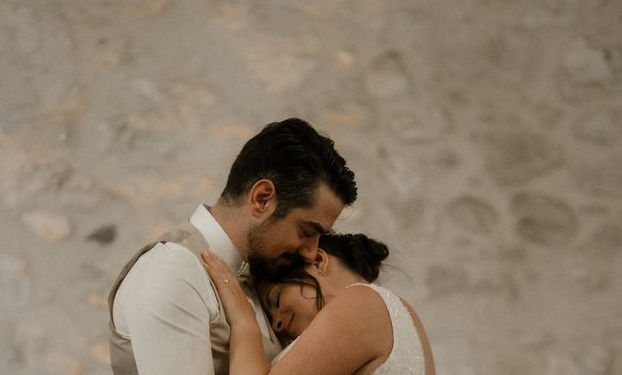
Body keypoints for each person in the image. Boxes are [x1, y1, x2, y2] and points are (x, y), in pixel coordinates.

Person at [107, 118, 357, 375]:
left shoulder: (265, 281)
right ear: (262, 199)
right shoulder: (172, 269)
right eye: (307, 231)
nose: (311, 251)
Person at [202, 232, 436, 375]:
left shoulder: (361, 304)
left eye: (277, 299)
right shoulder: (395, 311)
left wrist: (244, 319)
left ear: (318, 260)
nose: (277, 324)